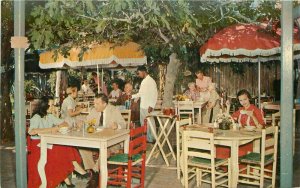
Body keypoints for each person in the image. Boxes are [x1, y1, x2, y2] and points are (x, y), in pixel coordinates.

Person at [27, 97, 86, 188]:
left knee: (67, 146)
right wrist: (52, 129)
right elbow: (31, 131)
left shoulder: (49, 116)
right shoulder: (37, 117)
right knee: (61, 148)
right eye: (52, 105)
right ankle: (77, 171)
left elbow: (64, 123)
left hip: (48, 142)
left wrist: (61, 126)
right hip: (37, 144)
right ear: (45, 106)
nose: (54, 107)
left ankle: (73, 172)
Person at [79, 93, 126, 186]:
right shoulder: (94, 110)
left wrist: (117, 126)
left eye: (97, 104)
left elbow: (123, 124)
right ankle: (94, 171)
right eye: (94, 103)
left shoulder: (114, 110)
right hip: (96, 140)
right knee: (82, 148)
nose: (94, 106)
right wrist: (82, 123)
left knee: (105, 150)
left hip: (112, 142)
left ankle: (95, 174)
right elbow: (87, 121)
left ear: (104, 104)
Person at [216, 89, 265, 159]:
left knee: (235, 150)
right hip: (241, 136)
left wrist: (252, 116)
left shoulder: (256, 110)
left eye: (245, 99)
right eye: (241, 100)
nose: (243, 102)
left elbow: (260, 127)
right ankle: (223, 167)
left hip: (251, 139)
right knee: (221, 147)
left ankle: (236, 168)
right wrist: (228, 107)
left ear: (249, 98)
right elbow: (228, 119)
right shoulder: (241, 110)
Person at [132, 66, 158, 142]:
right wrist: (132, 96)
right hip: (143, 105)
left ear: (143, 71)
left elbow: (155, 94)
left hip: (148, 106)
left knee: (150, 123)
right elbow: (141, 93)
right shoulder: (144, 81)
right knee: (143, 123)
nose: (139, 75)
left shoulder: (151, 81)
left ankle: (153, 138)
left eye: (139, 73)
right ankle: (147, 139)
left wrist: (152, 105)